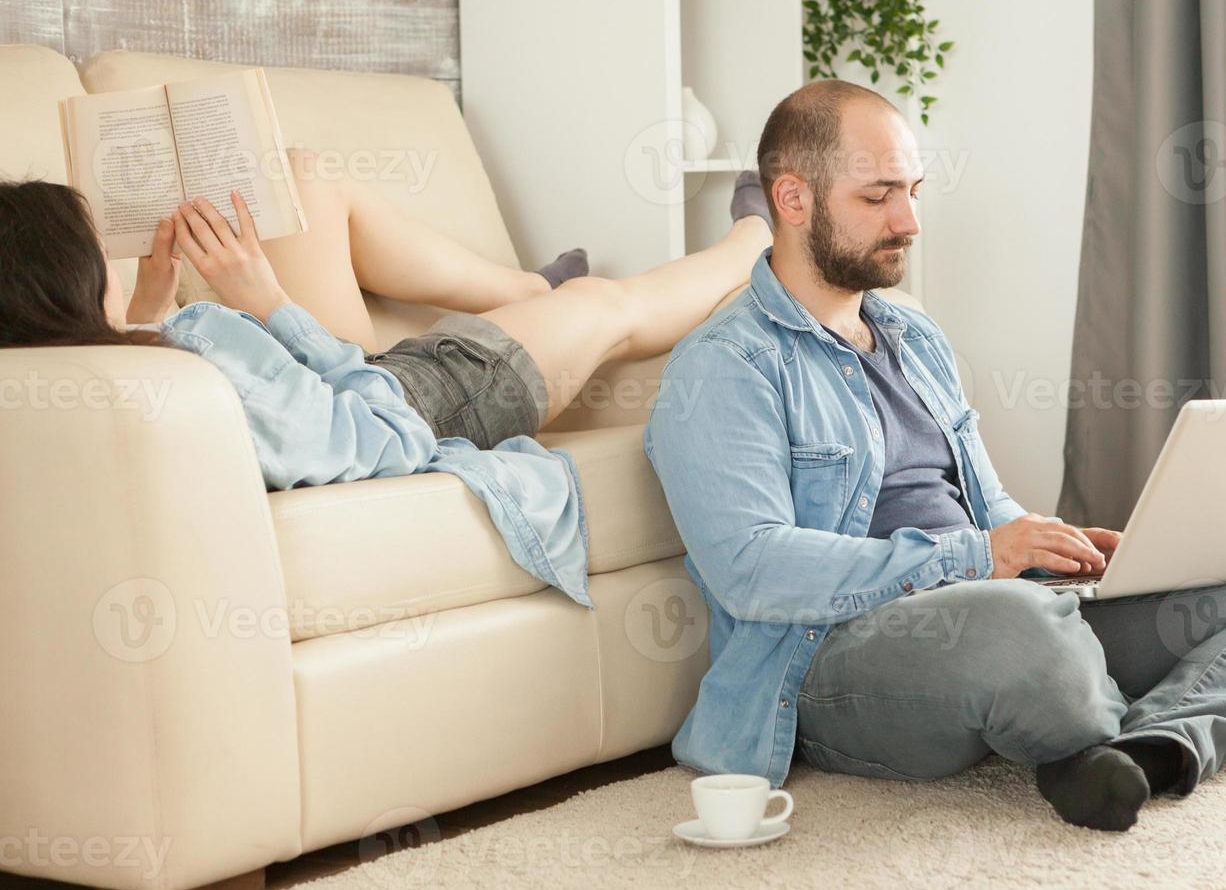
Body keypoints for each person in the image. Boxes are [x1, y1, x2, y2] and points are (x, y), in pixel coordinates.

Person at [643, 80, 1226, 832]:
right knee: (1018, 629)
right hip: (833, 665)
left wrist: (1060, 549)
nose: (909, 220)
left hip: (1004, 611)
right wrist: (974, 559)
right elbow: (753, 571)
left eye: (913, 191)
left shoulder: (913, 339)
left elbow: (990, 514)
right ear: (792, 199)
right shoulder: (727, 365)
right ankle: (1184, 712)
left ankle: (1147, 748)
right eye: (878, 196)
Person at [0, 153, 773, 603]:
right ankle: (759, 235)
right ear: (67, 278)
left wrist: (147, 309)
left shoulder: (79, 376)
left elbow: (304, 407)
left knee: (301, 180)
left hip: (348, 388)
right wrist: (267, 304)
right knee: (605, 305)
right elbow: (382, 435)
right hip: (436, 396)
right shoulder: (199, 348)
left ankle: (522, 292)